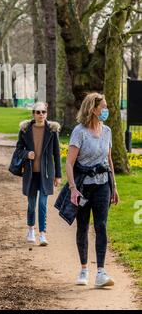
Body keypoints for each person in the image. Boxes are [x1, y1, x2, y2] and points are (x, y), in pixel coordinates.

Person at [65, 92, 119, 288]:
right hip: (83, 187)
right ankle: (84, 268)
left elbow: (109, 160)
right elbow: (70, 163)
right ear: (93, 109)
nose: (106, 110)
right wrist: (73, 188)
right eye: (103, 107)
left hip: (103, 185)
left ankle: (101, 272)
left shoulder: (108, 131)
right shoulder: (79, 132)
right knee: (82, 226)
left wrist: (114, 186)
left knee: (101, 226)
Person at [14, 101, 62, 246]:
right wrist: (27, 153)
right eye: (38, 112)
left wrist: (58, 175)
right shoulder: (25, 130)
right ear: (33, 114)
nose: (41, 115)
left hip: (46, 174)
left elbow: (57, 154)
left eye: (43, 112)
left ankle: (42, 234)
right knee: (31, 204)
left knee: (42, 204)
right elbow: (18, 150)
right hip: (30, 173)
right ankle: (31, 230)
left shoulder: (52, 131)